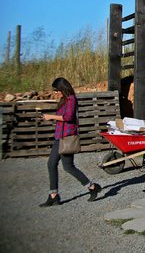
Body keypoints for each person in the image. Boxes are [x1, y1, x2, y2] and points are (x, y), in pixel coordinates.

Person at [39, 77, 101, 207]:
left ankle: (92, 186)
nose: (56, 93)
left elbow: (68, 117)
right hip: (59, 137)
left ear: (63, 88)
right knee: (51, 164)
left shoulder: (72, 99)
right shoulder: (63, 100)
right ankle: (53, 195)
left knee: (68, 167)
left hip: (67, 137)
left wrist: (51, 116)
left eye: (57, 90)